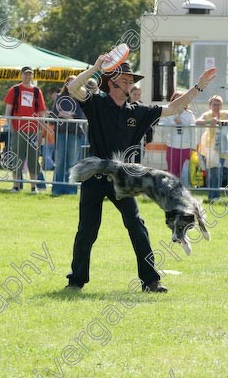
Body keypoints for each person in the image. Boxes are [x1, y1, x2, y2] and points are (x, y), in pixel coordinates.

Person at [65, 56, 216, 293]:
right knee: (87, 230)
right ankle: (76, 281)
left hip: (123, 180)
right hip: (94, 176)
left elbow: (174, 107)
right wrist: (96, 68)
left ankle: (151, 281)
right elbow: (73, 87)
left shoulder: (140, 111)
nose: (131, 86)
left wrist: (198, 86)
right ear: (112, 83)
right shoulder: (96, 104)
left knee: (136, 226)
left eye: (130, 82)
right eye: (126, 81)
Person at [4, 66, 47, 193]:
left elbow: (41, 112)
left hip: (33, 131)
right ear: (21, 75)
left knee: (33, 158)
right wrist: (11, 127)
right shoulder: (15, 90)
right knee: (17, 157)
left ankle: (34, 187)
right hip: (18, 129)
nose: (28, 76)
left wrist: (41, 132)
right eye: (26, 74)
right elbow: (8, 110)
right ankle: (16, 186)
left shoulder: (37, 91)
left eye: (30, 74)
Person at [51, 75, 86, 196]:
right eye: (70, 83)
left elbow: (81, 116)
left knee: (73, 162)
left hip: (75, 133)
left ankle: (71, 189)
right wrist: (66, 115)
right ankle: (57, 189)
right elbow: (53, 115)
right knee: (59, 161)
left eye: (75, 83)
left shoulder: (81, 98)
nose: (72, 85)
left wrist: (67, 115)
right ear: (66, 85)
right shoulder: (60, 98)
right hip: (60, 133)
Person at [196, 95, 228, 201]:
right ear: (210, 105)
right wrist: (209, 122)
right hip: (207, 147)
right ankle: (211, 195)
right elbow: (197, 121)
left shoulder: (225, 114)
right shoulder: (207, 115)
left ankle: (215, 196)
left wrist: (219, 122)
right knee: (211, 172)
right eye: (214, 104)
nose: (216, 106)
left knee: (218, 171)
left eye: (219, 104)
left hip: (221, 147)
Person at [159, 91, 196, 178]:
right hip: (172, 146)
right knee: (172, 173)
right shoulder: (167, 113)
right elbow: (162, 129)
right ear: (173, 101)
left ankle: (184, 191)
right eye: (177, 100)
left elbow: (194, 132)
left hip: (186, 147)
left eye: (181, 99)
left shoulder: (189, 114)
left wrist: (193, 148)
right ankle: (172, 191)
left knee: (185, 173)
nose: (179, 102)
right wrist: (173, 123)